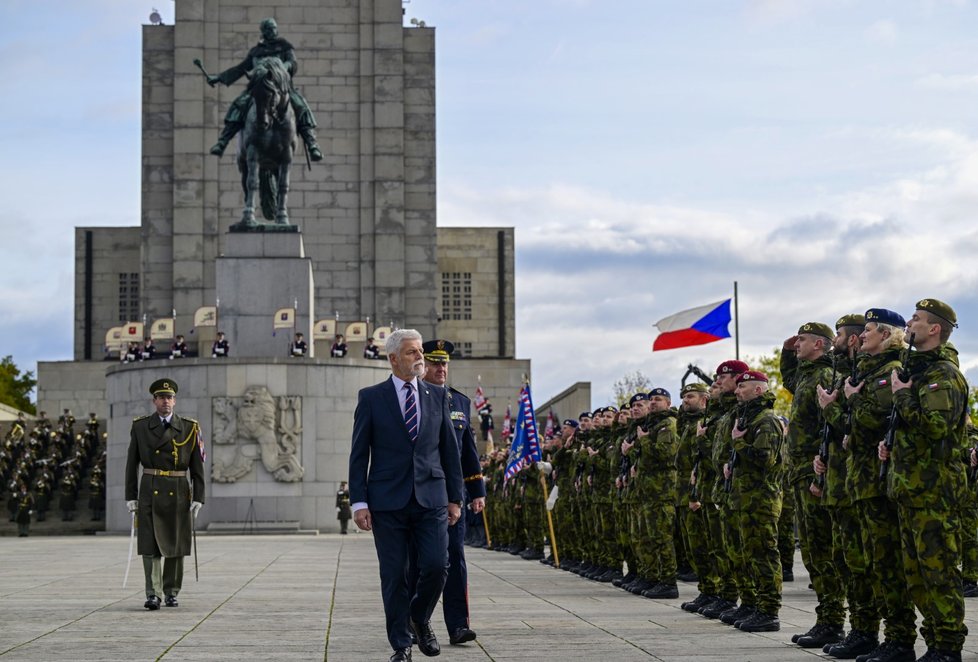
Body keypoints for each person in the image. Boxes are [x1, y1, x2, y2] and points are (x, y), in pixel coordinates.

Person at [347, 329, 464, 662]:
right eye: (413, 353)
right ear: (393, 358)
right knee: (394, 574)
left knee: (437, 565)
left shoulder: (437, 396)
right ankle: (401, 644)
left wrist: (455, 497)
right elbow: (359, 454)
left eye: (420, 353)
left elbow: (449, 451)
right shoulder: (371, 397)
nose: (420, 358)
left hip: (432, 496)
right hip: (387, 501)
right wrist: (359, 502)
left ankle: (420, 616)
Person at [878, 299, 969, 662]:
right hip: (909, 488)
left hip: (934, 490)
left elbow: (936, 427)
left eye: (916, 319)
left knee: (939, 573)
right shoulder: (916, 371)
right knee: (916, 575)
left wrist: (901, 395)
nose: (909, 323)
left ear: (934, 329)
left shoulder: (943, 375)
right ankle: (932, 642)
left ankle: (948, 647)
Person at [415, 339, 487, 646]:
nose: (440, 368)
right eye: (434, 363)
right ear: (423, 365)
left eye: (444, 363)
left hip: (453, 497)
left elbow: (467, 451)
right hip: (420, 493)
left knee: (454, 559)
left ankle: (458, 625)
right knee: (422, 563)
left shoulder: (459, 402)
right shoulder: (412, 398)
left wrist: (477, 490)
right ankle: (419, 621)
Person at [781, 322, 846, 649]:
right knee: (811, 550)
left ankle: (833, 621)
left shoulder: (823, 376)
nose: (797, 344)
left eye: (802, 340)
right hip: (801, 471)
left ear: (820, 345)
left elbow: (827, 431)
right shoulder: (807, 374)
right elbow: (788, 378)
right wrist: (786, 349)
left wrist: (821, 475)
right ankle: (827, 619)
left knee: (821, 549)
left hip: (813, 470)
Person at [125, 378, 206, 610]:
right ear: (154, 401)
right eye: (161, 398)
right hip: (150, 489)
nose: (166, 402)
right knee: (150, 545)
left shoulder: (190, 427)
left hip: (179, 490)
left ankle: (171, 591)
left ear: (175, 401)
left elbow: (197, 466)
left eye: (169, 398)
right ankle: (153, 593)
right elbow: (131, 464)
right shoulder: (141, 427)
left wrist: (199, 496)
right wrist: (131, 495)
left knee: (175, 544)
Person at [206, 18, 322, 160]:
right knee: (238, 105)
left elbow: (293, 63)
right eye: (267, 29)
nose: (271, 31)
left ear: (276, 29)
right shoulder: (256, 51)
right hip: (258, 89)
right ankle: (223, 141)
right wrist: (218, 78)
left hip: (282, 88)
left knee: (301, 106)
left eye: (273, 28)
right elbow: (241, 69)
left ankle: (312, 144)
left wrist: (282, 68)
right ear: (263, 32)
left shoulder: (285, 47)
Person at [725, 370, 784, 632]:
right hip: (747, 498)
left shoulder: (766, 420)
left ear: (758, 390)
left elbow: (765, 459)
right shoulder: (749, 418)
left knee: (764, 555)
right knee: (751, 554)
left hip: (761, 499)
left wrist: (738, 444)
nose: (737, 391)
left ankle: (769, 611)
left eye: (743, 387)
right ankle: (757, 606)